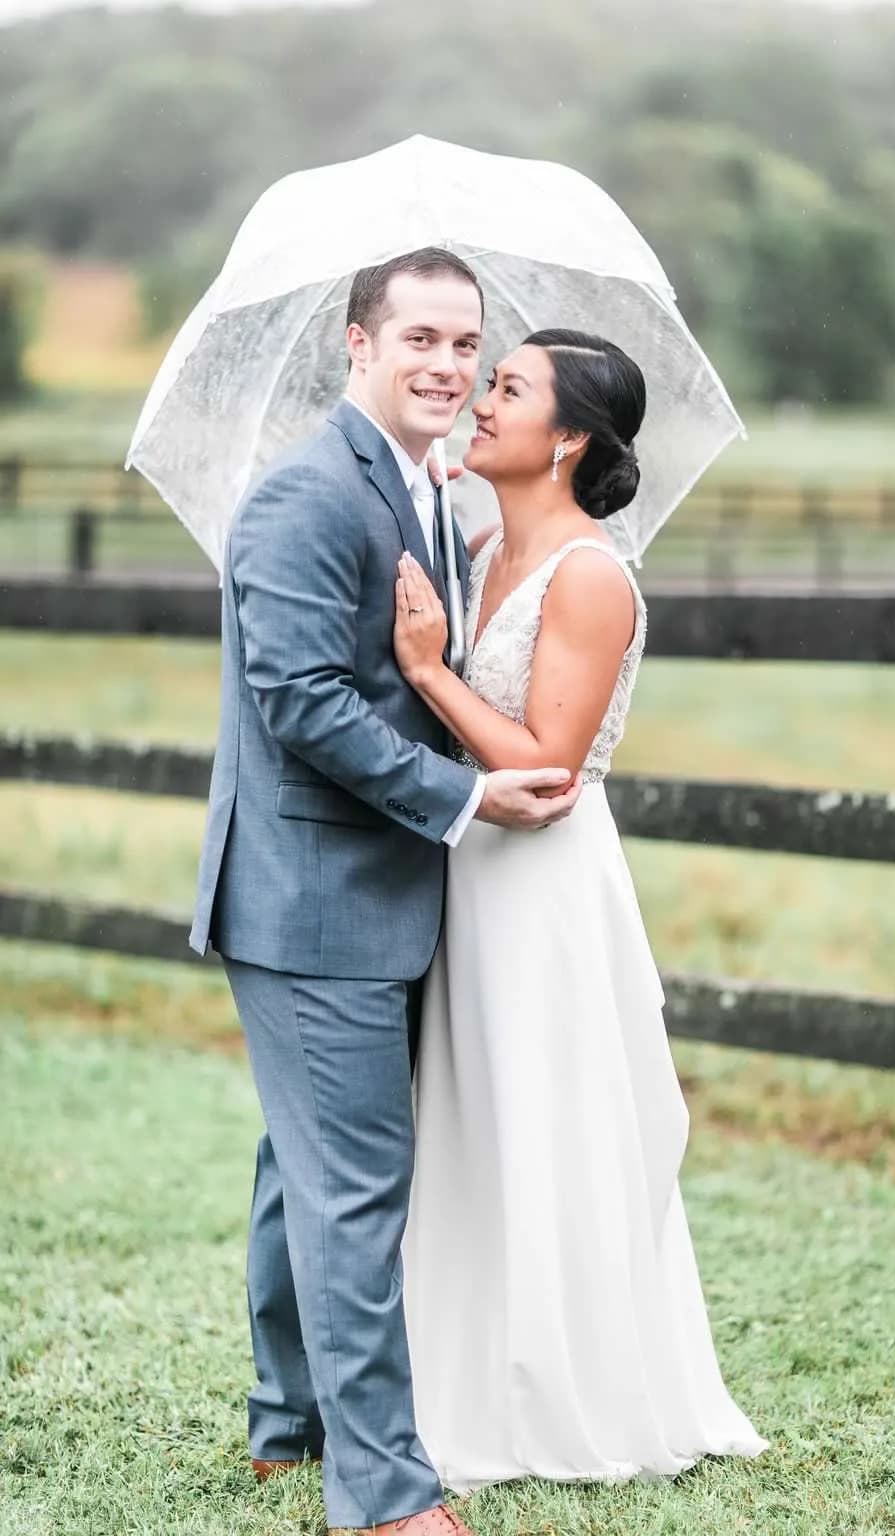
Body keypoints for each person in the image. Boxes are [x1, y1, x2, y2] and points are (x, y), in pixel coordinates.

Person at [188, 250, 581, 1536]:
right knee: (356, 1187)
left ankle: (287, 1426)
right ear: (356, 346)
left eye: (467, 346)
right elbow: (299, 703)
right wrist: (463, 798)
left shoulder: (424, 491)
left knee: (299, 1166)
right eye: (419, 338)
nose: (447, 367)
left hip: (373, 892)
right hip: (313, 898)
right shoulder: (307, 495)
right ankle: (387, 1497)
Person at [394, 330, 768, 1489]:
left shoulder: (591, 575)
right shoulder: (483, 543)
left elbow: (549, 770)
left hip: (545, 891)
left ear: (567, 440)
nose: (478, 398)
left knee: (550, 1118)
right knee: (472, 1120)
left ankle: (567, 1390)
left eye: (506, 387)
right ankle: (468, 1372)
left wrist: (428, 670)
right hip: (468, 875)